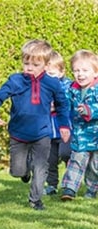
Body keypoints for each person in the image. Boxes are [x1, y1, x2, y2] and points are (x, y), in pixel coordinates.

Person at [0, 39, 71, 210]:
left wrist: (64, 126)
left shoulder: (52, 83)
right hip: (18, 133)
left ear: (46, 65)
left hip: (42, 133)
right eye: (26, 63)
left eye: (35, 64)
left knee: (41, 167)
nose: (29, 67)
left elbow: (62, 105)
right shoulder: (15, 81)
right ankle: (24, 171)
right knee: (17, 170)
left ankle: (36, 200)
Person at [61, 49, 98, 201]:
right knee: (76, 161)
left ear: (95, 73)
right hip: (80, 134)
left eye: (84, 70)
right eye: (76, 70)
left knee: (95, 167)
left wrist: (90, 110)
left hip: (96, 135)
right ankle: (69, 189)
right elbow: (64, 103)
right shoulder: (72, 90)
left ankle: (92, 189)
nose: (80, 74)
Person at [43, 51, 72, 195]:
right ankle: (52, 185)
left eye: (52, 74)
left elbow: (67, 100)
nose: (49, 78)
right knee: (50, 159)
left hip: (64, 128)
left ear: (61, 72)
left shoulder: (67, 86)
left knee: (66, 153)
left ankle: (70, 182)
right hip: (49, 130)